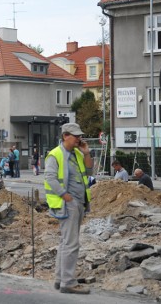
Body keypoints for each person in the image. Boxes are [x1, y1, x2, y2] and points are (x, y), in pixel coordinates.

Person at [44, 122, 93, 294]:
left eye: (80, 135)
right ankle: (68, 282)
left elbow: (89, 170)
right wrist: (65, 195)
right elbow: (50, 178)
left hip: (79, 202)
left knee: (66, 242)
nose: (79, 138)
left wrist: (86, 153)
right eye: (76, 136)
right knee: (71, 244)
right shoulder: (55, 154)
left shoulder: (77, 153)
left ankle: (60, 279)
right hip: (68, 204)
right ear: (65, 136)